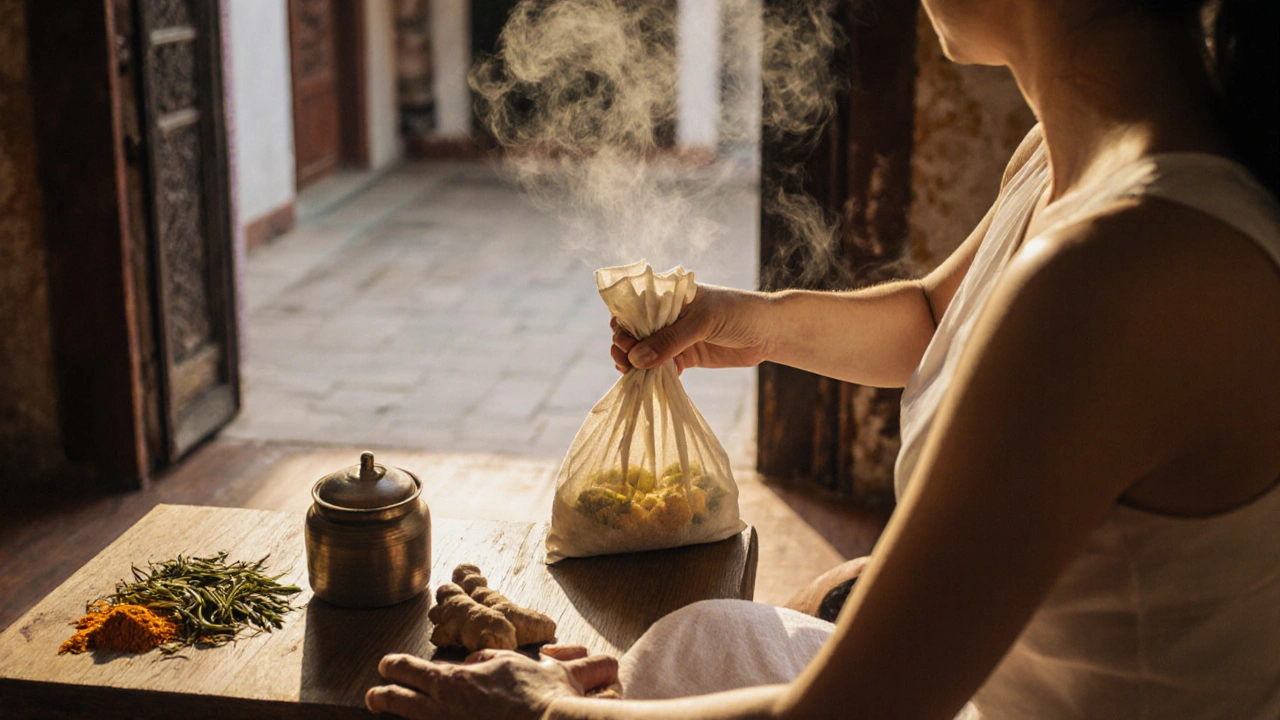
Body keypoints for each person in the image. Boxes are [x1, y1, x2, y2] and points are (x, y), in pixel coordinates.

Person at [366, 0, 1280, 717]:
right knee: (694, 645)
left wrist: (546, 716)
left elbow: (855, 711)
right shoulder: (1063, 156)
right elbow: (934, 319)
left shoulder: (1130, 268)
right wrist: (750, 322)